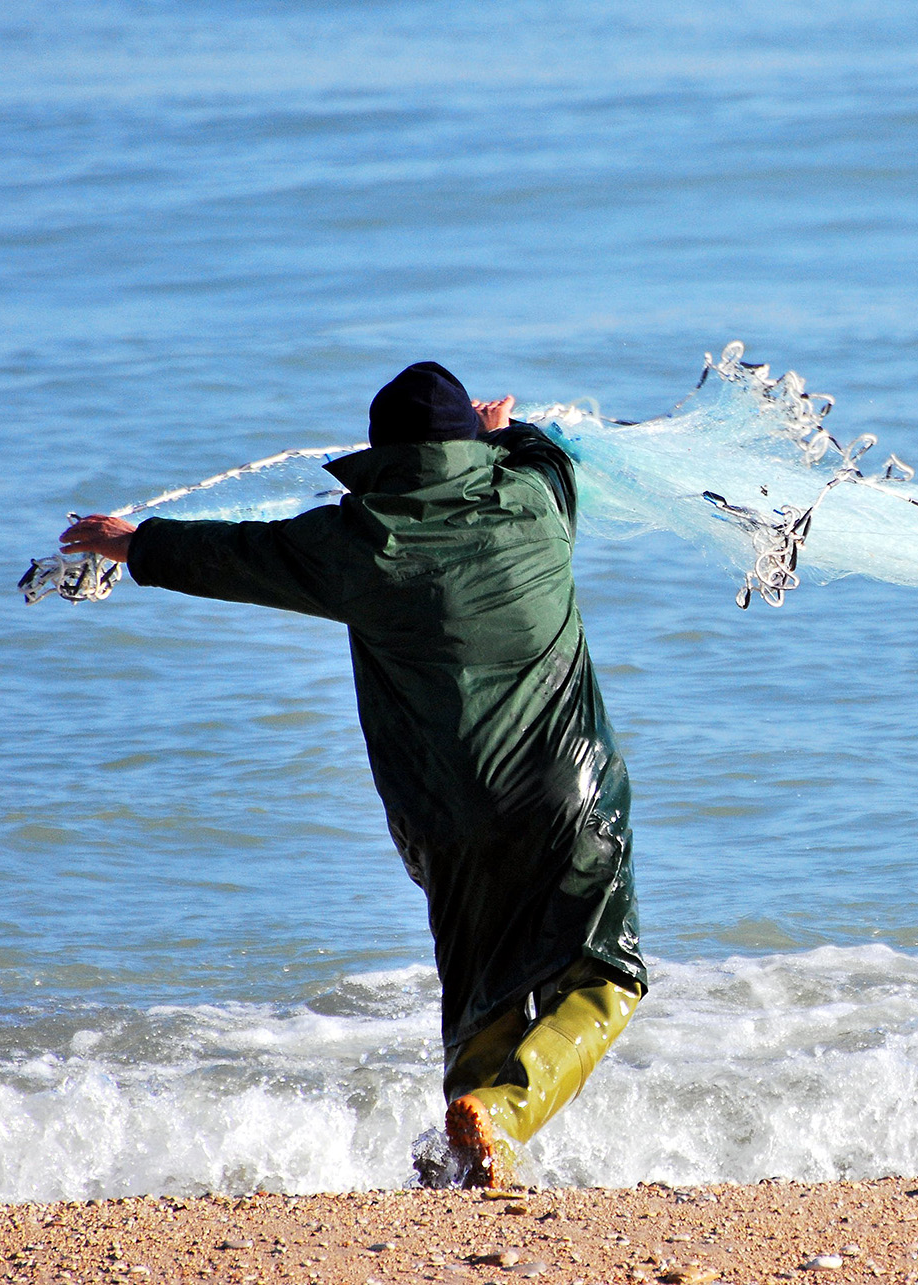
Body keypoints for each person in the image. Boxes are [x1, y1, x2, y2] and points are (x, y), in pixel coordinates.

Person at [59, 362, 647, 1189]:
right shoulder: (536, 506)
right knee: (605, 970)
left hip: (451, 816)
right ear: (470, 446)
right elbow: (547, 454)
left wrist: (131, 542)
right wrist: (501, 428)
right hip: (570, 796)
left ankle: (464, 1155)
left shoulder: (355, 544)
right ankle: (500, 1121)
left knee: (480, 989)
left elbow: (236, 554)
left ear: (381, 454)